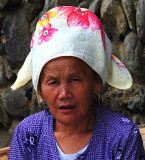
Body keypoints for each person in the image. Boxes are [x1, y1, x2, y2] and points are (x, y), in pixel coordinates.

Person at [8, 6, 144, 160]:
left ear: (96, 82)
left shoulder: (123, 137)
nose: (64, 94)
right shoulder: (28, 134)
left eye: (75, 80)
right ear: (40, 90)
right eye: (53, 82)